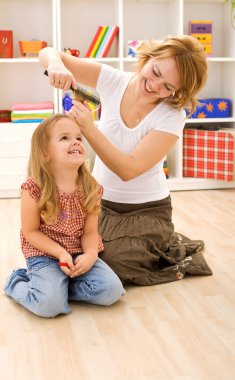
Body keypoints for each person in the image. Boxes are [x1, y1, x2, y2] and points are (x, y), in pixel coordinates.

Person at [39, 35, 213, 286]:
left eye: (168, 87)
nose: (154, 86)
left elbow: (128, 169)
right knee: (62, 244)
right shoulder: (113, 81)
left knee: (114, 264)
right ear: (150, 56)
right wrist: (56, 66)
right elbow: (47, 52)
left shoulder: (172, 116)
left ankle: (161, 242)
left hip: (145, 210)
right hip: (99, 203)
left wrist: (88, 128)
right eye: (154, 72)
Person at [3, 114, 125, 317]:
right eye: (64, 138)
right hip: (45, 255)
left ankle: (57, 289)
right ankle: (17, 282)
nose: (75, 141)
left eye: (78, 137)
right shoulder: (33, 189)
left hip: (78, 254)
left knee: (112, 291)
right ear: (45, 153)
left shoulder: (91, 188)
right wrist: (60, 253)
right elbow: (30, 232)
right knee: (48, 307)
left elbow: (90, 233)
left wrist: (90, 255)